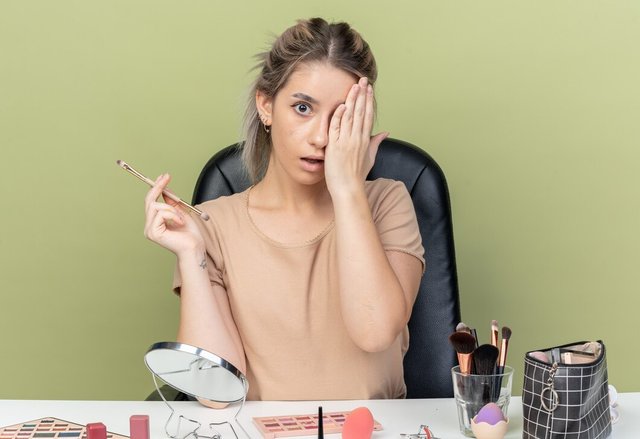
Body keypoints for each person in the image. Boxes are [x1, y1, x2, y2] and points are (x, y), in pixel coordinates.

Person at [143, 17, 425, 403]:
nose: (322, 137)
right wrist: (192, 256)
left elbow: (374, 331)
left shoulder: (387, 202)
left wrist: (347, 190)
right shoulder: (211, 224)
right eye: (303, 107)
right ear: (266, 105)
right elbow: (214, 394)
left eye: (341, 116)